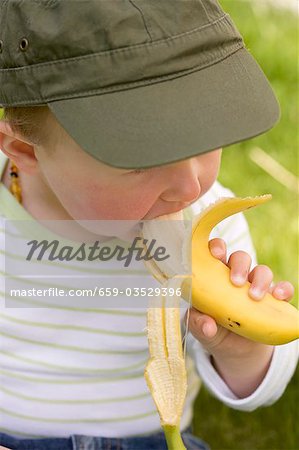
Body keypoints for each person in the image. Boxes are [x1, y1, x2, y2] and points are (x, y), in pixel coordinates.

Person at [0, 1, 297, 449]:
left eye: (203, 138)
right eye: (141, 161)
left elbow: (255, 389)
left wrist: (242, 349)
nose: (190, 184)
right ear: (24, 150)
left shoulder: (210, 225)